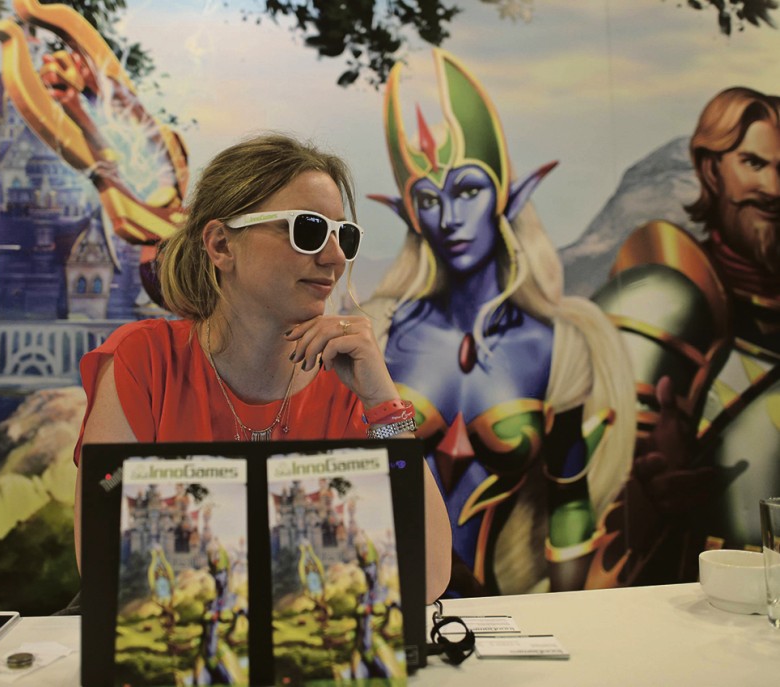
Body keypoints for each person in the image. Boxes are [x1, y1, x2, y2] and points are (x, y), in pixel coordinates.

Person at [73, 132, 452, 603]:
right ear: (221, 245)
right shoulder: (144, 362)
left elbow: (427, 578)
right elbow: (106, 566)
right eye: (308, 229)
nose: (335, 257)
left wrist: (383, 406)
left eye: (344, 235)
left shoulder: (349, 380)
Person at [365, 49, 635, 596]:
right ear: (412, 215)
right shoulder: (380, 333)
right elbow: (355, 472)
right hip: (394, 603)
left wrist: (571, 618)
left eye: (467, 190)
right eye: (428, 199)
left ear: (504, 198)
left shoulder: (558, 346)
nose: (449, 218)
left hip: (511, 609)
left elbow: (569, 500)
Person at [593, 86, 780, 582]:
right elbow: (597, 512)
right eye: (754, 164)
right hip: (700, 595)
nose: (773, 188)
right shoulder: (663, 300)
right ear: (711, 170)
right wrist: (653, 488)